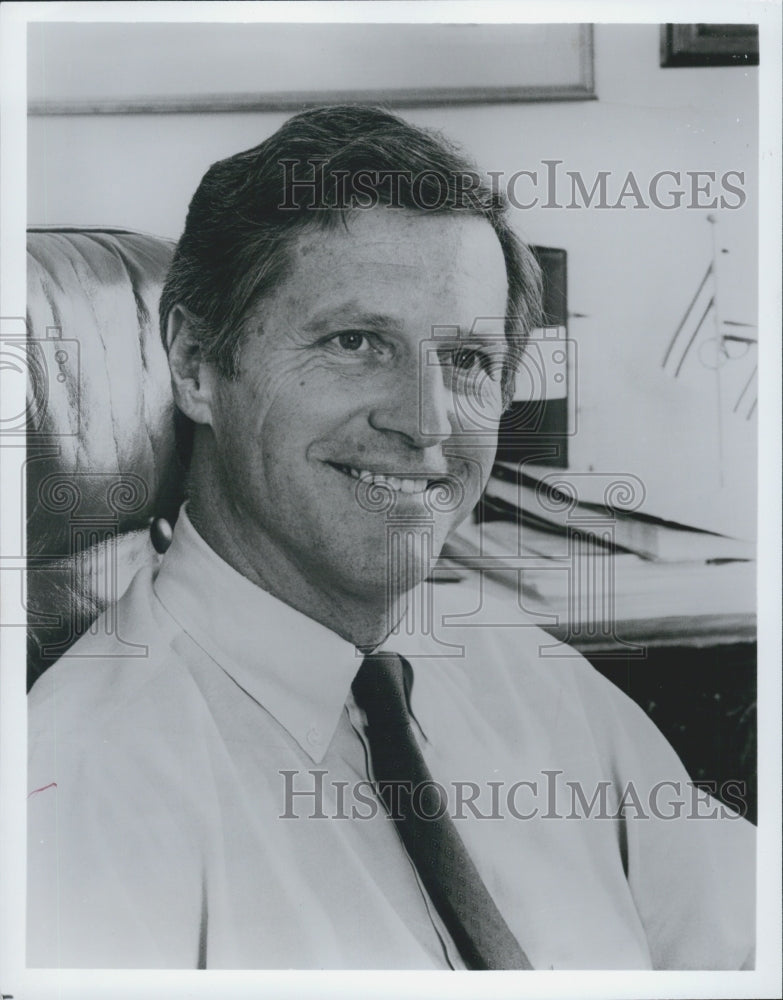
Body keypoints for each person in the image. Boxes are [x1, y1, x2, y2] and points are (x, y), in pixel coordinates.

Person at [27, 105, 755, 970]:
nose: (427, 424)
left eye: (467, 361)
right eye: (355, 341)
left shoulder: (530, 680)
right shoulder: (78, 795)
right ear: (193, 364)